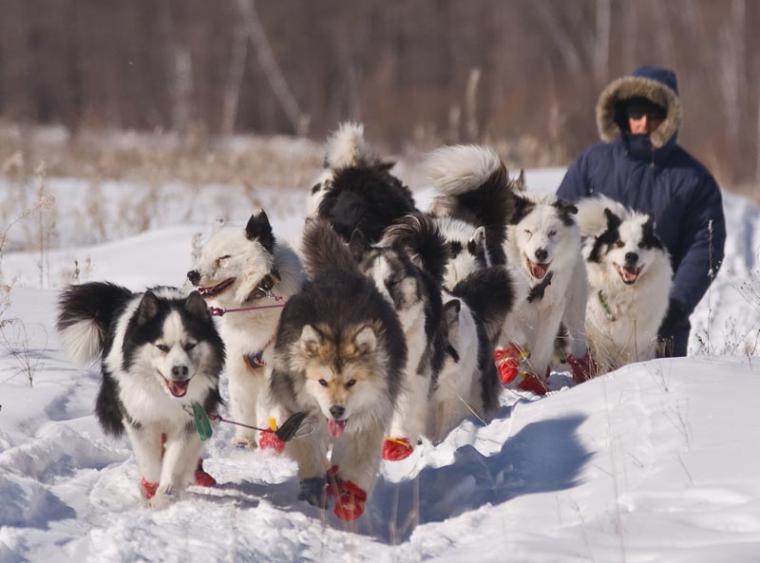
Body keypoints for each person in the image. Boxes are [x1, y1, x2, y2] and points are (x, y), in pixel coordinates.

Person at [557, 66, 726, 357]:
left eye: (654, 114)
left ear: (669, 118)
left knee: (654, 400)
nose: (644, 122)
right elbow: (560, 224)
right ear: (623, 114)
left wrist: (675, 304)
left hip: (658, 320)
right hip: (591, 315)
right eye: (636, 113)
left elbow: (705, 246)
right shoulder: (592, 162)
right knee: (588, 397)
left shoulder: (693, 179)